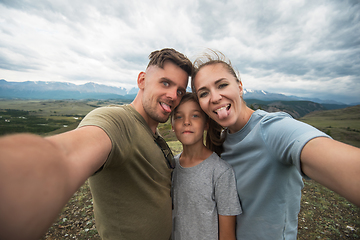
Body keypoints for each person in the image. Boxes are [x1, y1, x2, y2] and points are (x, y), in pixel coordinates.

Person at [0, 48, 193, 240]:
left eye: (180, 91)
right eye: (165, 83)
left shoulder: (152, 131)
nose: (173, 96)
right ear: (142, 80)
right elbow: (65, 154)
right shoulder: (117, 121)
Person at [190, 50, 360, 239]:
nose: (214, 97)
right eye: (204, 93)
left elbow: (325, 154)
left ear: (239, 87)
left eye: (222, 85)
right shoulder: (221, 141)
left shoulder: (273, 129)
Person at [170, 92, 242, 240]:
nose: (186, 122)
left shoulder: (221, 172)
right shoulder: (170, 167)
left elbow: (227, 235)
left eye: (195, 115)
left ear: (206, 124)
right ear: (172, 125)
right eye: (179, 116)